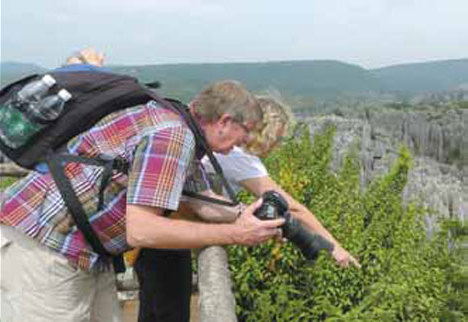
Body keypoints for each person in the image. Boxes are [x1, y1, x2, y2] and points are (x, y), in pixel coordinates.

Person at [0, 53, 286, 322]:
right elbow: (143, 230)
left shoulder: (176, 125)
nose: (246, 140)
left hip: (80, 253)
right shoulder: (173, 136)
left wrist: (250, 218)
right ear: (225, 121)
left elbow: (202, 201)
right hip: (44, 249)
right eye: (246, 130)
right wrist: (236, 234)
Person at [135, 95, 360, 322]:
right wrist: (334, 247)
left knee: (153, 309)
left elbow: (204, 200)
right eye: (278, 138)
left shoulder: (227, 149)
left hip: (163, 228)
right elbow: (292, 207)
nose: (278, 145)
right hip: (166, 234)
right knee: (169, 312)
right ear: (266, 132)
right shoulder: (239, 157)